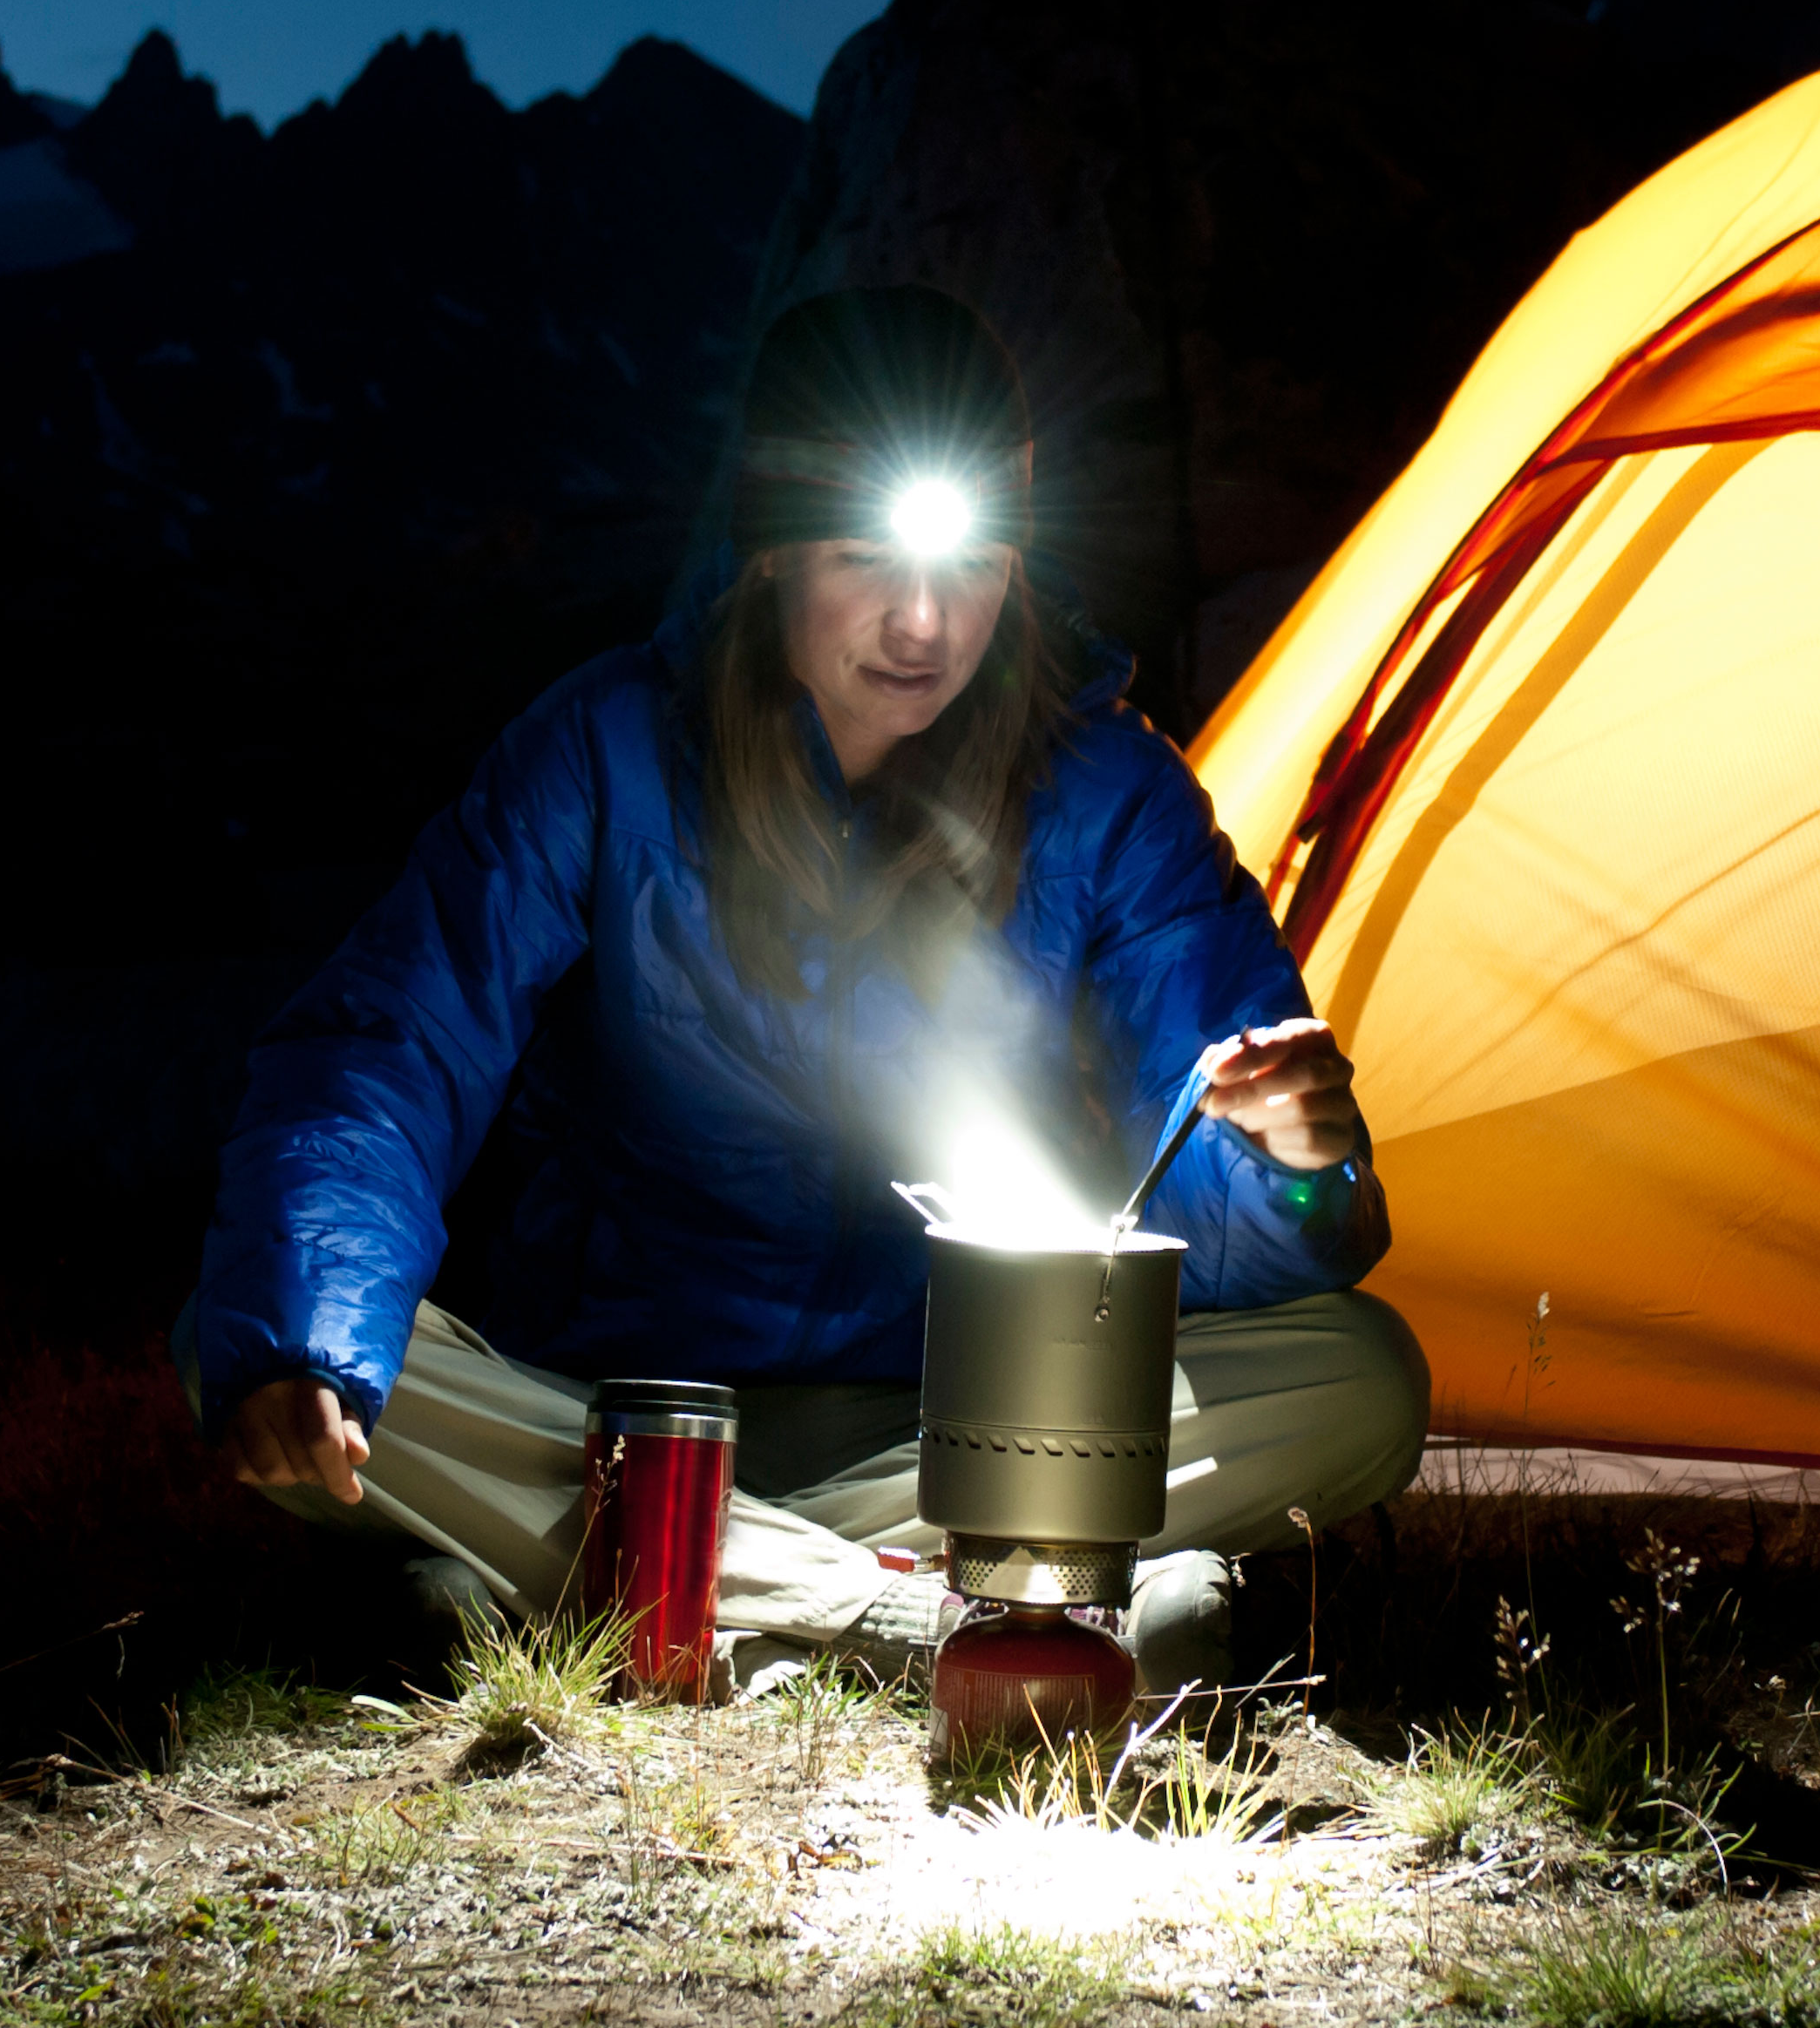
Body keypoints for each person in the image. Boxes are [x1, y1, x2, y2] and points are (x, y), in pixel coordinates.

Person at [178, 283, 1425, 1693]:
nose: (922, 620)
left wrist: (1289, 1168)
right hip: (624, 1397)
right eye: (863, 559)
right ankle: (947, 1610)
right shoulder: (604, 751)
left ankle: (626, 1586)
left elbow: (1204, 1183)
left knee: (1361, 1381)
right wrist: (311, 1341)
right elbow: (387, 1048)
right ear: (770, 546)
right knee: (261, 1342)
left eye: (973, 563)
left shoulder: (1108, 792)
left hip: (959, 1414)